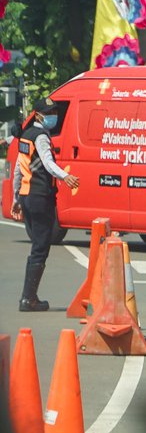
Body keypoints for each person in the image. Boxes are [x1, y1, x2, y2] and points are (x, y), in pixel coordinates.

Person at [11, 99, 79, 311]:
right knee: (40, 248)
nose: (53, 115)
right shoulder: (40, 137)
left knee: (37, 247)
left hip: (27, 195)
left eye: (54, 112)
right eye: (49, 112)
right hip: (40, 196)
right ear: (39, 115)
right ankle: (28, 299)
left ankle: (28, 297)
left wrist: (16, 197)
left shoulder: (25, 135)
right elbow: (48, 163)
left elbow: (18, 169)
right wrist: (65, 175)